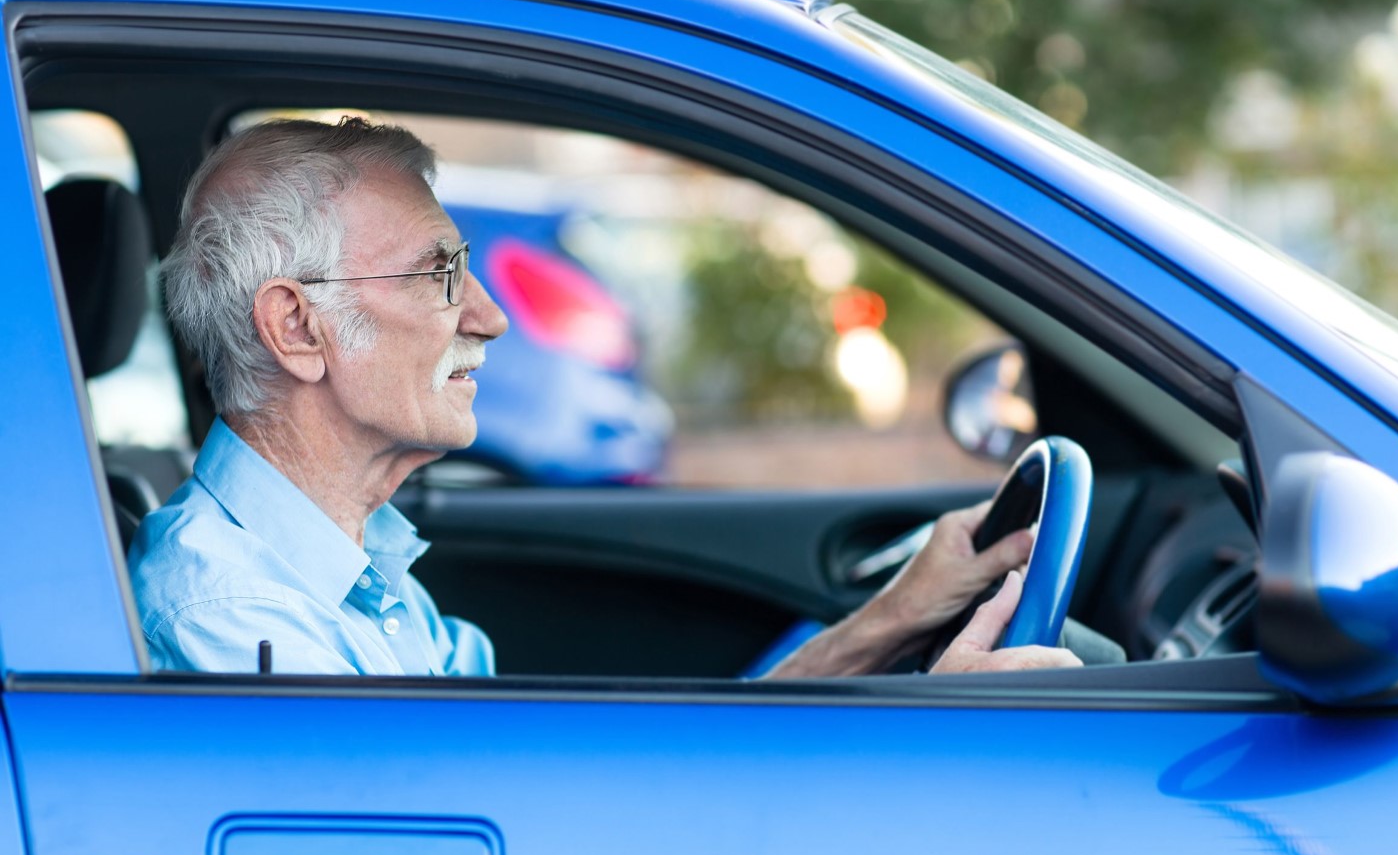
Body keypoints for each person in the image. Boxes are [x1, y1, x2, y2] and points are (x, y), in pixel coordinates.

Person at [130, 118, 1082, 678]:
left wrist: (889, 623)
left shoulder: (343, 570)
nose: (493, 318)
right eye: (438, 275)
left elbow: (576, 807)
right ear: (298, 328)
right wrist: (924, 745)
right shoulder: (240, 619)